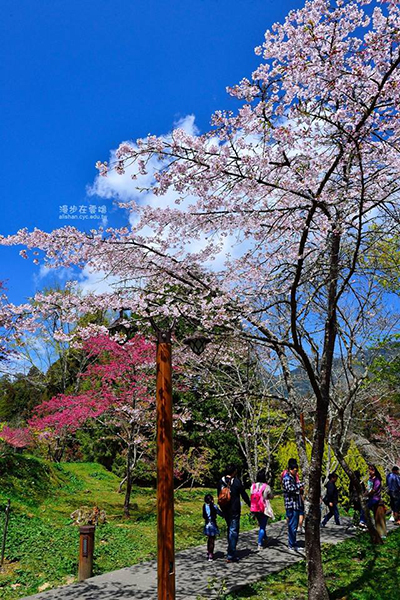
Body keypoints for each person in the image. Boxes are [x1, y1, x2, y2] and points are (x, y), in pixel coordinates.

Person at [217, 464, 250, 563]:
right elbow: (243, 494)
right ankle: (231, 555)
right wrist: (250, 504)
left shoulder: (220, 482)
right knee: (234, 531)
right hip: (234, 510)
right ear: (234, 472)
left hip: (225, 510)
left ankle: (230, 550)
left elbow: (219, 496)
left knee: (230, 529)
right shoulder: (236, 482)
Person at [282, 458, 304, 553]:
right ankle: (291, 544)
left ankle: (293, 543)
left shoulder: (293, 478)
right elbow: (290, 489)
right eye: (295, 470)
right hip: (291, 505)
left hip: (295, 504)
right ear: (290, 469)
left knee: (293, 525)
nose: (296, 472)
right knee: (292, 525)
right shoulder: (287, 478)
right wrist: (301, 485)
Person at [250, 469, 274, 550]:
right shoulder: (266, 487)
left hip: (255, 508)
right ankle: (260, 544)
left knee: (261, 524)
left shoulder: (253, 486)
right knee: (262, 527)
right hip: (264, 508)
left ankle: (265, 538)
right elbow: (271, 496)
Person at [366, 464, 387, 538]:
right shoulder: (370, 479)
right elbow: (368, 488)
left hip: (375, 498)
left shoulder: (377, 480)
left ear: (374, 471)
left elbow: (374, 490)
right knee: (372, 513)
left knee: (366, 508)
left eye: (371, 470)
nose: (370, 471)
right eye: (369, 469)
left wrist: (367, 494)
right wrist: (365, 493)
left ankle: (363, 521)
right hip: (370, 498)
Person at [203, 493, 223, 561]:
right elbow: (220, 513)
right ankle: (211, 554)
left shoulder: (204, 506)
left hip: (207, 525)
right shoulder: (214, 506)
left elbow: (204, 515)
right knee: (212, 540)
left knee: (209, 539)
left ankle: (209, 551)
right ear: (212, 500)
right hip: (212, 525)